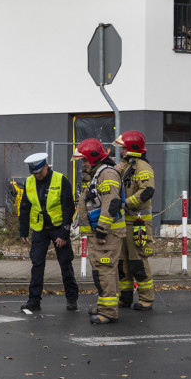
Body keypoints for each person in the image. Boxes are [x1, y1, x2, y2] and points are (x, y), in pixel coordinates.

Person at [72, 138, 125, 325]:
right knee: (105, 270)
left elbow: (112, 202)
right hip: (101, 233)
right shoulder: (98, 174)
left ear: (94, 158)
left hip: (106, 234)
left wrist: (102, 230)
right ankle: (106, 306)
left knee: (104, 271)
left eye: (85, 160)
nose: (83, 164)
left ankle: (108, 311)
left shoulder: (106, 174)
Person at [18, 153, 79, 312]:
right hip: (39, 229)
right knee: (37, 264)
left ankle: (72, 299)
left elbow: (68, 208)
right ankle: (34, 301)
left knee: (65, 264)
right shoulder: (29, 182)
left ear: (46, 166)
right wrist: (23, 230)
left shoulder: (60, 179)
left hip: (58, 227)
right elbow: (25, 207)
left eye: (40, 171)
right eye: (34, 173)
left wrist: (64, 234)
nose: (37, 175)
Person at [113, 131, 156, 310]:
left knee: (138, 261)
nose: (121, 151)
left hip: (138, 222)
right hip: (124, 222)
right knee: (123, 263)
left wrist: (126, 203)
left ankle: (146, 299)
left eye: (123, 148)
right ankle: (125, 297)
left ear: (132, 149)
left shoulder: (143, 167)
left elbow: (147, 191)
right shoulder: (123, 166)